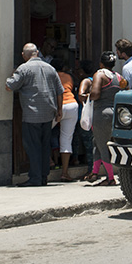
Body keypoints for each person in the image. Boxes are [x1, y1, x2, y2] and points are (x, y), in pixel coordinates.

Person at [5, 43, 63, 187]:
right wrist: (59, 110)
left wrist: (11, 75)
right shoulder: (50, 68)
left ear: (24, 55)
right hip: (48, 113)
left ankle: (35, 178)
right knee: (44, 146)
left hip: (32, 114)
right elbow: (59, 90)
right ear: (37, 53)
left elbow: (9, 87)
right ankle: (43, 176)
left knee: (33, 147)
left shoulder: (24, 68)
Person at [78, 51, 128, 187]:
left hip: (101, 114)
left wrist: (87, 94)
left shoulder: (99, 74)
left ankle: (110, 178)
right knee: (97, 143)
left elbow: (95, 94)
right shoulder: (118, 76)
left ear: (101, 63)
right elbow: (126, 88)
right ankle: (94, 173)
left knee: (103, 146)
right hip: (115, 113)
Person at [51, 57, 79, 181]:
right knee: (66, 139)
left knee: (43, 133)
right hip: (72, 105)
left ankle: (49, 163)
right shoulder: (69, 77)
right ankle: (65, 172)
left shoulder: (51, 76)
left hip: (58, 106)